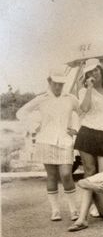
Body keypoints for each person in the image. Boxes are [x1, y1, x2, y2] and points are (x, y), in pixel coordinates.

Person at [16, 69, 79, 221]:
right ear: (49, 82)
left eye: (61, 84)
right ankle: (55, 210)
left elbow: (82, 112)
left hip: (65, 141)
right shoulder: (41, 99)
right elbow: (21, 113)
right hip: (46, 141)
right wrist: (33, 127)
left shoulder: (71, 98)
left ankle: (74, 209)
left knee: (65, 174)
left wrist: (76, 129)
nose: (58, 87)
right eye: (55, 84)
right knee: (51, 176)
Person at [74, 58, 103, 177]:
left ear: (101, 70)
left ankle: (99, 196)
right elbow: (85, 108)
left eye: (95, 70)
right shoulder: (84, 91)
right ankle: (87, 196)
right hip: (87, 133)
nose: (94, 74)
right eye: (90, 72)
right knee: (90, 171)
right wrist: (89, 88)